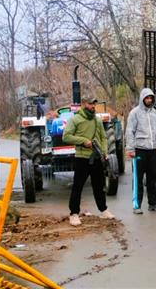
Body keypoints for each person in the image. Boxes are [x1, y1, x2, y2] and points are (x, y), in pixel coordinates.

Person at [63, 96, 115, 226]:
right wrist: (83, 141)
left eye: (94, 104)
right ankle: (74, 214)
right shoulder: (75, 119)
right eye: (91, 104)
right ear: (84, 104)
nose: (93, 106)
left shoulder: (97, 120)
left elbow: (103, 137)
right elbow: (66, 136)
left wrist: (104, 152)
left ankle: (103, 210)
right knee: (78, 187)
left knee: (99, 186)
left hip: (96, 157)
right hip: (82, 158)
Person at [126, 88, 156, 214]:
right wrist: (130, 148)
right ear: (142, 99)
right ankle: (137, 205)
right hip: (139, 150)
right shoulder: (135, 113)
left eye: (151, 98)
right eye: (147, 98)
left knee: (152, 178)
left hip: (152, 150)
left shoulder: (154, 113)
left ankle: (153, 203)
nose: (149, 100)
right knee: (138, 179)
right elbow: (130, 131)